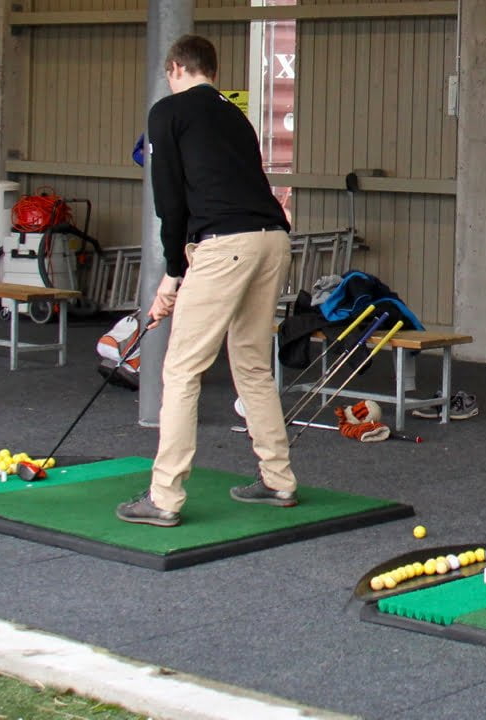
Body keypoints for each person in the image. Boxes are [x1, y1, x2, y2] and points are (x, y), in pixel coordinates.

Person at [116, 34, 297, 527]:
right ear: (212, 71)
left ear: (175, 67)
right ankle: (278, 480)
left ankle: (164, 497)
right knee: (253, 364)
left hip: (225, 246)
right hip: (272, 240)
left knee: (181, 370)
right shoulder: (234, 115)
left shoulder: (166, 112)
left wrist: (172, 274)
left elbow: (169, 203)